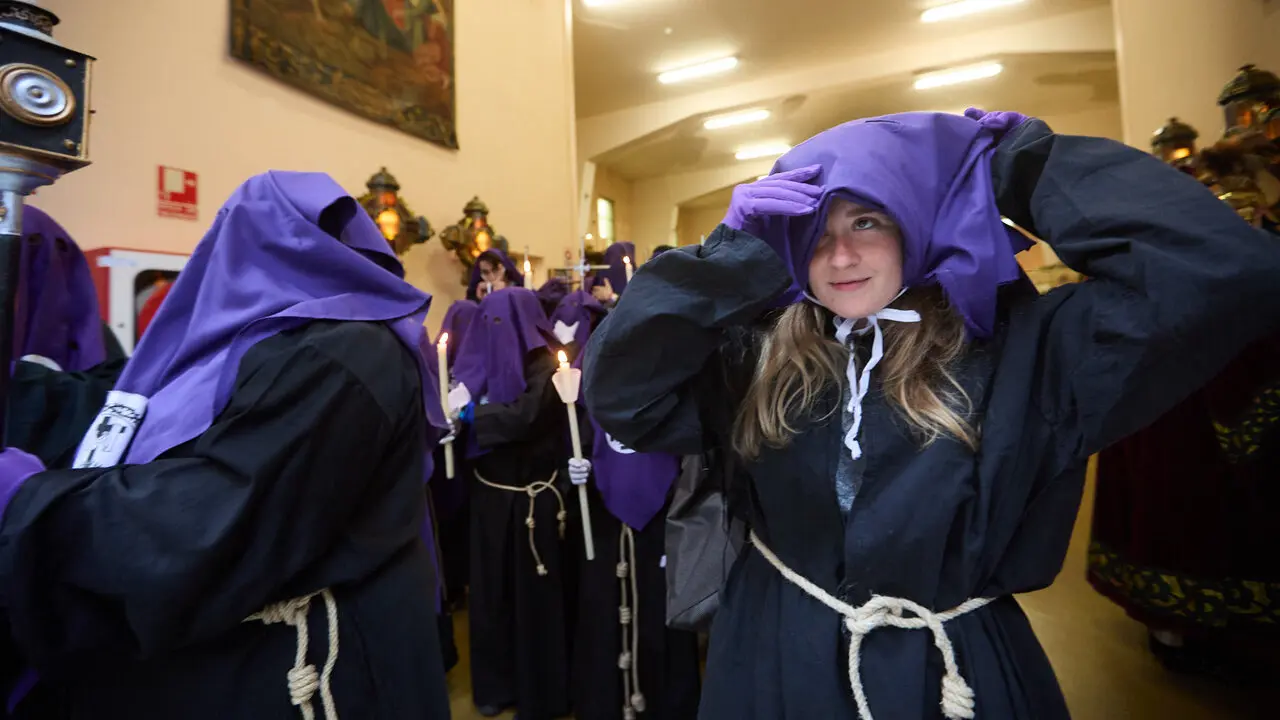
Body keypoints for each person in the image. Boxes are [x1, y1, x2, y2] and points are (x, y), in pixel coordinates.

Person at [583, 110, 1280, 719]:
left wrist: (1019, 167)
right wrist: (727, 262)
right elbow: (622, 394)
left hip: (949, 668)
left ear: (918, 220)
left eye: (867, 220)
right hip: (772, 652)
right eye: (813, 232)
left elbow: (1227, 273)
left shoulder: (1023, 349)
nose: (842, 254)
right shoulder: (754, 353)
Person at [0, 171, 452, 719]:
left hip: (303, 659)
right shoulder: (249, 342)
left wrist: (27, 498)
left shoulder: (346, 351)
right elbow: (117, 401)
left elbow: (219, 510)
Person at [553, 291, 701, 720]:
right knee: (601, 615)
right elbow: (575, 440)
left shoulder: (674, 388)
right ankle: (604, 701)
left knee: (662, 624)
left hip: (663, 522)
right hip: (602, 520)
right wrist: (572, 472)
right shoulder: (590, 395)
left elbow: (693, 457)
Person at [452, 286, 577, 719]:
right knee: (490, 598)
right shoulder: (480, 364)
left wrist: (470, 416)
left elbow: (524, 417)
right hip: (490, 499)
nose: (493, 330)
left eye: (501, 320)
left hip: (530, 502)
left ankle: (539, 692)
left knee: (533, 601)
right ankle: (494, 687)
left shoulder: (546, 365)